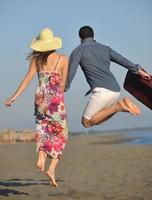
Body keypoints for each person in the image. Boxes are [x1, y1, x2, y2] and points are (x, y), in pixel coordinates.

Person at [4, 28, 68, 187]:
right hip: (55, 99)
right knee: (61, 133)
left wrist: (14, 97)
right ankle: (51, 168)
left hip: (40, 97)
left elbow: (27, 79)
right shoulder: (63, 59)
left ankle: (41, 155)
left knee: (42, 128)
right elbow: (63, 84)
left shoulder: (37, 60)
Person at [65, 26, 151, 128]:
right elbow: (123, 60)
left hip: (102, 91)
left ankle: (119, 106)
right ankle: (119, 106)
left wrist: (64, 87)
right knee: (97, 119)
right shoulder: (105, 49)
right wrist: (139, 71)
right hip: (115, 90)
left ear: (80, 38)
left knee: (86, 122)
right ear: (93, 36)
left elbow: (71, 74)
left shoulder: (78, 51)